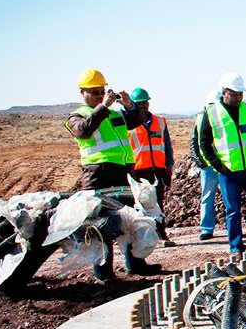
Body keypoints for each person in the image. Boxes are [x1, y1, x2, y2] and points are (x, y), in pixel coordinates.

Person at [64, 68, 160, 281]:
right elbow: (83, 130)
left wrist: (129, 106)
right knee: (101, 226)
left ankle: (136, 264)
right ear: (83, 92)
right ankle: (104, 272)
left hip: (124, 172)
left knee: (131, 220)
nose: (100, 95)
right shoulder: (77, 115)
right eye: (95, 92)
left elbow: (137, 121)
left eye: (102, 91)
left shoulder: (115, 113)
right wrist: (103, 106)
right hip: (98, 175)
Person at [198, 72, 246, 258]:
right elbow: (204, 142)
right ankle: (236, 248)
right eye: (235, 94)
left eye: (241, 93)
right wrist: (218, 166)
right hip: (229, 171)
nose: (239, 97)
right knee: (232, 210)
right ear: (224, 93)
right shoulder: (212, 113)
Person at [128, 87, 175, 245]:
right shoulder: (128, 125)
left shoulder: (159, 121)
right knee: (140, 206)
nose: (143, 106)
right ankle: (141, 239)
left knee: (158, 205)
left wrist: (169, 166)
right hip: (138, 171)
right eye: (139, 104)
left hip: (157, 170)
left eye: (145, 103)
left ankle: (161, 234)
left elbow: (166, 145)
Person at [190, 90, 221, 241]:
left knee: (230, 198)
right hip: (209, 166)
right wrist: (200, 162)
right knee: (207, 196)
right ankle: (207, 229)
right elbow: (195, 142)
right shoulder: (200, 118)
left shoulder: (224, 116)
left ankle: (233, 227)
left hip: (225, 165)